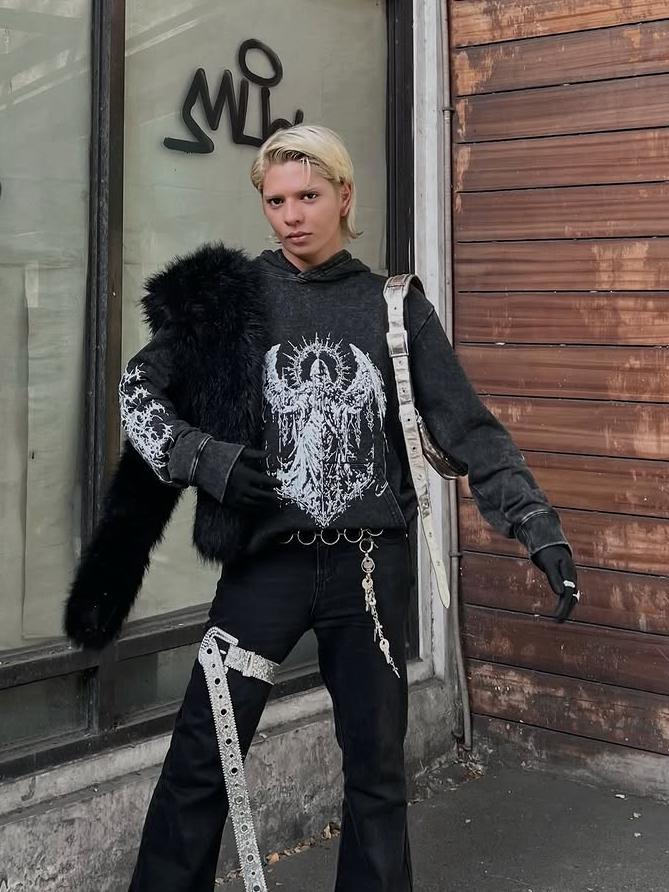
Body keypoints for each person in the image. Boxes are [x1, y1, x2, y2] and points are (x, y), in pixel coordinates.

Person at [65, 124, 579, 892]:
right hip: (264, 567)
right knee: (202, 754)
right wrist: (209, 460)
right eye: (275, 201)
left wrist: (536, 526)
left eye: (307, 196)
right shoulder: (231, 298)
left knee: (376, 770)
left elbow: (468, 428)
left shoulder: (393, 307)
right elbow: (138, 393)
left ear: (343, 195)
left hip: (369, 574)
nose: (291, 216)